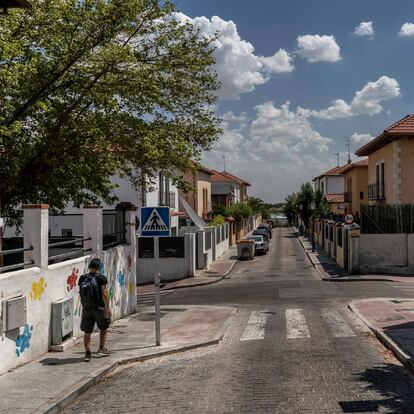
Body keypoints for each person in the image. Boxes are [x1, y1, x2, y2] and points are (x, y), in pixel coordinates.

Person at [78, 258, 112, 362]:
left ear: (90, 267)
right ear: (99, 267)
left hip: (86, 308)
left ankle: (87, 353)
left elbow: (81, 293)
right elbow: (104, 293)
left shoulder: (82, 278)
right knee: (104, 327)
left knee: (87, 332)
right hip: (99, 308)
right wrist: (108, 307)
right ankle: (101, 348)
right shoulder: (101, 278)